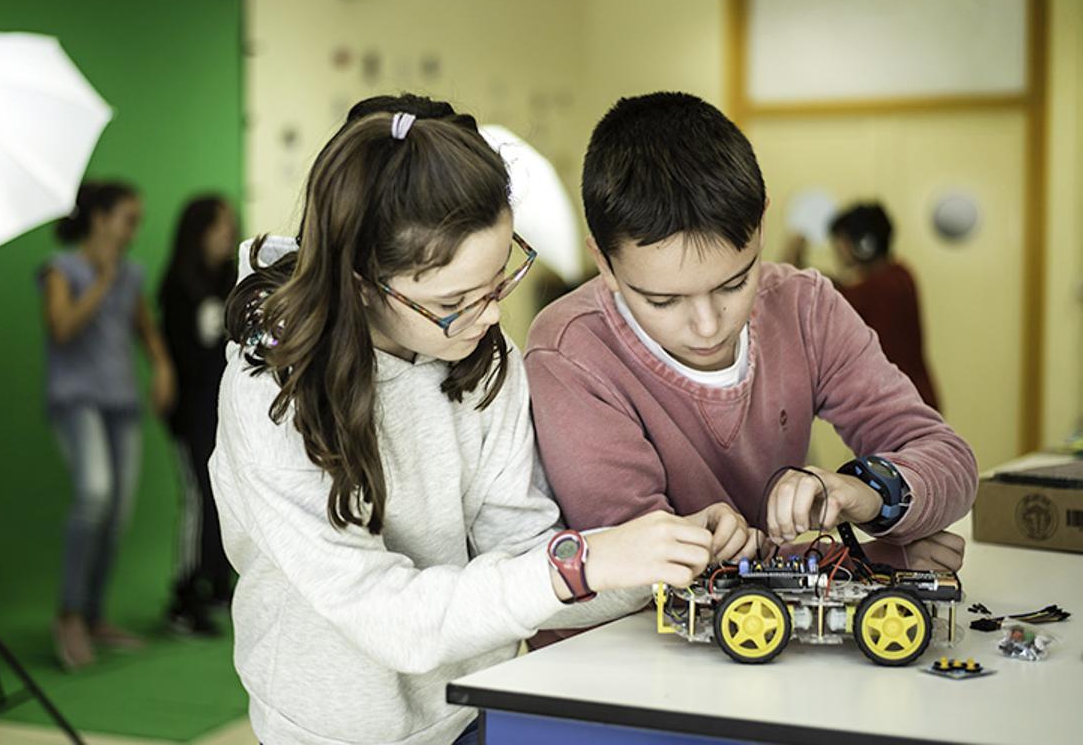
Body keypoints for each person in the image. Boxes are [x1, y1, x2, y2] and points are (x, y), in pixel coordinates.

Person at [210, 96, 755, 745]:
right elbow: (388, 616)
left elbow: (522, 556)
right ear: (361, 283)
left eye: (500, 281)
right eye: (453, 302)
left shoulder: (481, 357)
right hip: (330, 730)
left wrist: (658, 555)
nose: (492, 317)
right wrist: (584, 564)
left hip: (474, 708)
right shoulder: (274, 393)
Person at [525, 92, 977, 648]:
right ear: (605, 263)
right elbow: (647, 563)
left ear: (761, 225)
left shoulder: (805, 306)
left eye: (735, 283)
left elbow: (948, 458)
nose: (708, 325)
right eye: (663, 302)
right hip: (616, 666)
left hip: (756, 650)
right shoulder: (571, 350)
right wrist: (864, 557)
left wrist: (869, 492)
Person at [41, 180, 176, 669]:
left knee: (116, 514)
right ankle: (69, 615)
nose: (134, 230)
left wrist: (162, 366)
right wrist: (99, 282)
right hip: (77, 403)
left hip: (121, 405)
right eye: (128, 220)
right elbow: (61, 329)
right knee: (93, 495)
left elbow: (146, 331)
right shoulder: (62, 270)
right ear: (100, 218)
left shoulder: (131, 274)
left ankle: (95, 616)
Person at [158, 194, 239, 635]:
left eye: (230, 224)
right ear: (197, 232)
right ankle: (184, 595)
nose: (227, 234)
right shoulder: (178, 285)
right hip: (191, 412)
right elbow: (177, 355)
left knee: (227, 496)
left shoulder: (233, 280)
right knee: (197, 498)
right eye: (217, 226)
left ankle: (218, 584)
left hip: (226, 409)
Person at [789, 202, 940, 410]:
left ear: (864, 244)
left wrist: (792, 258)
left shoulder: (882, 287)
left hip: (902, 406)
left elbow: (824, 294)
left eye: (840, 242)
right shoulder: (899, 274)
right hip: (910, 399)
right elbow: (842, 287)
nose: (837, 250)